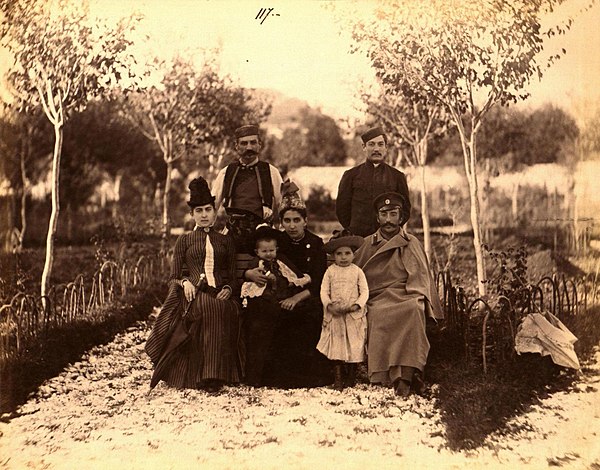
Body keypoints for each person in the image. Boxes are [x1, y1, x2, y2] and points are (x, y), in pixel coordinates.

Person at [145, 177, 244, 393]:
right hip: (194, 295)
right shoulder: (185, 241)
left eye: (208, 209)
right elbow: (172, 277)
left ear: (214, 212)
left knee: (224, 307)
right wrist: (184, 282)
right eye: (199, 210)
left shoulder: (225, 241)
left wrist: (228, 288)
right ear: (192, 214)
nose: (204, 215)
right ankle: (210, 376)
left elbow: (233, 276)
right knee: (211, 308)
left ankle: (217, 372)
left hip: (222, 293)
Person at [354, 191, 443, 397]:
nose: (388, 220)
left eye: (393, 214)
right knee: (377, 314)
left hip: (406, 293)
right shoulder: (368, 244)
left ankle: (406, 375)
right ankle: (394, 376)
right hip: (377, 297)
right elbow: (356, 274)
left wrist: (416, 295)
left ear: (401, 217)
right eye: (383, 214)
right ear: (377, 217)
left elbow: (421, 275)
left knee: (413, 309)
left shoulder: (411, 242)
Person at [244, 183, 331, 387]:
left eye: (297, 220)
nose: (292, 226)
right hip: (278, 293)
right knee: (264, 312)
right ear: (281, 222)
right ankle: (269, 375)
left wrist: (296, 298)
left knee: (309, 313)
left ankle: (306, 376)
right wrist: (248, 273)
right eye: (287, 220)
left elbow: (318, 279)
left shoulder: (315, 243)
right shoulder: (277, 241)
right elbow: (256, 256)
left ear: (305, 221)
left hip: (307, 294)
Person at [240, 225, 311, 386]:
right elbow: (249, 282)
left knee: (298, 316)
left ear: (276, 249)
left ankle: (287, 375)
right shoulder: (256, 264)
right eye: (264, 251)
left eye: (271, 250)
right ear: (257, 252)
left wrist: (289, 285)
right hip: (261, 301)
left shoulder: (282, 262)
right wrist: (255, 275)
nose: (268, 254)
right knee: (261, 321)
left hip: (280, 298)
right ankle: (257, 376)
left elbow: (295, 277)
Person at [211, 124, 284, 252]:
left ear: (259, 145)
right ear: (236, 146)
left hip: (262, 234)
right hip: (233, 233)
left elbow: (282, 204)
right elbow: (213, 205)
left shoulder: (271, 172)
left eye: (253, 143)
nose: (249, 147)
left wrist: (284, 231)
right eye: (244, 143)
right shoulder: (226, 172)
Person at [316, 230, 369, 391]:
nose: (343, 257)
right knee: (337, 344)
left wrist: (357, 305)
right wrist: (329, 305)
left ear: (353, 255)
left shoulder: (357, 271)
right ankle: (338, 377)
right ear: (333, 256)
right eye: (339, 254)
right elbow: (324, 291)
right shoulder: (330, 271)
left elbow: (365, 291)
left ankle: (351, 376)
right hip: (336, 314)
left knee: (355, 343)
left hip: (353, 314)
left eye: (347, 253)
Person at [336, 126, 411, 237]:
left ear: (386, 147)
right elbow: (342, 209)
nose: (376, 149)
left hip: (388, 239)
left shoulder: (397, 177)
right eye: (371, 144)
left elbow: (405, 210)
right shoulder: (351, 175)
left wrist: (390, 230)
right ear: (364, 147)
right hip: (359, 239)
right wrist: (354, 230)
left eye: (380, 144)